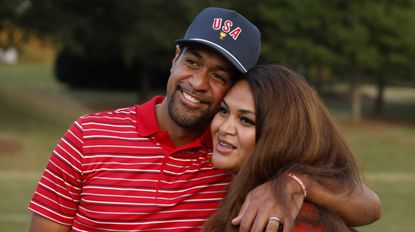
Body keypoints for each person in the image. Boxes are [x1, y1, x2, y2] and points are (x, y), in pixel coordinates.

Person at [28, 7, 380, 232]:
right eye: (193, 62)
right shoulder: (89, 135)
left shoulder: (234, 157)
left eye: (219, 76)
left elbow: (368, 207)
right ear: (174, 58)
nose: (197, 83)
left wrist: (294, 183)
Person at [203, 64, 381, 231]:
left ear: (280, 137)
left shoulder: (290, 217)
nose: (224, 128)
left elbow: (372, 206)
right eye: (224, 111)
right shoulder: (238, 182)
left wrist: (294, 184)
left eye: (246, 120)